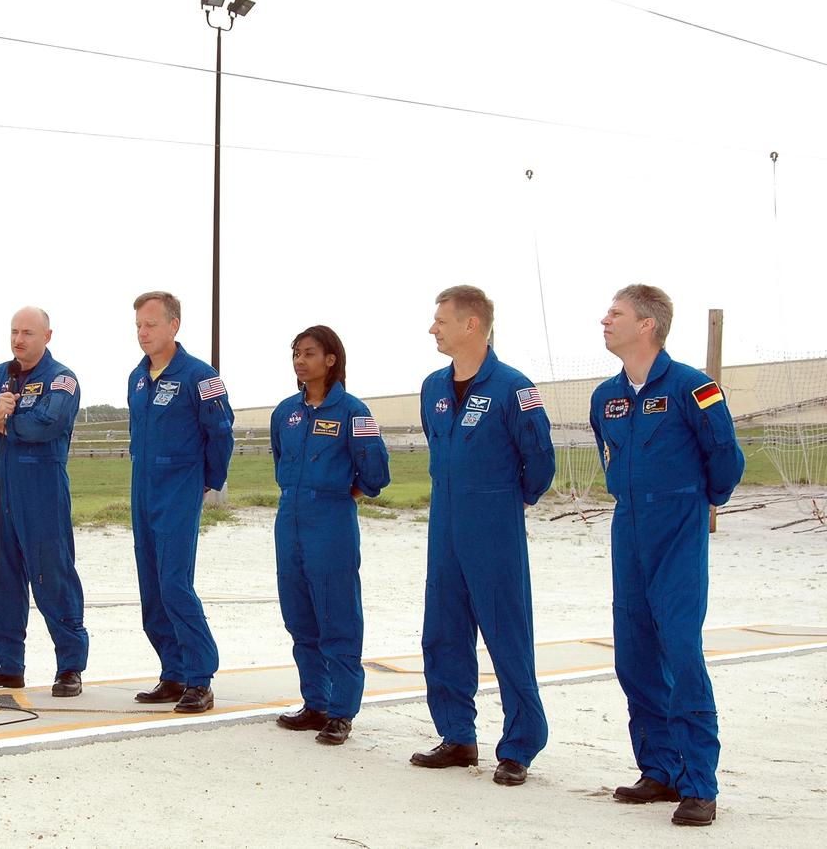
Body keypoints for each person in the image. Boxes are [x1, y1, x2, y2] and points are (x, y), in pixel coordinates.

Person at [589, 285, 744, 827]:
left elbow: (724, 456)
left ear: (648, 325)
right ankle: (659, 769)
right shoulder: (605, 395)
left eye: (616, 313)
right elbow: (609, 453)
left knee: (679, 646)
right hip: (628, 522)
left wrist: (701, 503)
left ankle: (699, 783)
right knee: (633, 650)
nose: (605, 320)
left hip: (677, 523)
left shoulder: (692, 387)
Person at [411, 286, 555, 785]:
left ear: (472, 325)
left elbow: (539, 462)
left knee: (506, 633)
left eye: (441, 321)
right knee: (443, 632)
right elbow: (438, 446)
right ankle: (457, 736)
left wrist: (503, 501)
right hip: (445, 523)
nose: (433, 328)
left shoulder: (513, 387)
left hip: (494, 523)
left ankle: (520, 744)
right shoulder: (432, 387)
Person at [0, 307, 89, 698]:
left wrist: (1, 422)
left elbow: (46, 424)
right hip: (0, 488)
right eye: (14, 332)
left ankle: (70, 666)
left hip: (42, 490)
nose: (19, 339)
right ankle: (7, 665)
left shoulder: (62, 379)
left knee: (53, 576)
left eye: (28, 333)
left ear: (47, 336)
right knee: (0, 578)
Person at [270, 326, 390, 745]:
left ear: (331, 359)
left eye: (309, 353)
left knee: (337, 615)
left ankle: (341, 710)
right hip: (291, 519)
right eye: (296, 354)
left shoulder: (354, 413)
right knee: (299, 614)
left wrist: (342, 491)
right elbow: (281, 461)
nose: (300, 361)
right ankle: (315, 702)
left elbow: (375, 474)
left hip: (331, 520)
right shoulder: (285, 412)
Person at [127, 291, 235, 713]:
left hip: (179, 486)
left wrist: (209, 480)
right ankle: (171, 672)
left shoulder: (199, 375)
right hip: (143, 485)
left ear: (174, 326)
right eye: (138, 325)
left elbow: (221, 432)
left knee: (174, 583)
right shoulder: (137, 377)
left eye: (151, 324)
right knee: (152, 586)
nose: (143, 332)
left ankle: (199, 677)